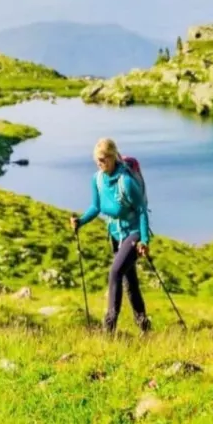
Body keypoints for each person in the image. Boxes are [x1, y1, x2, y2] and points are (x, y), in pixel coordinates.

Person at [70, 138, 152, 334]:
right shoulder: (97, 179)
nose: (99, 163)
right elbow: (96, 207)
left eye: (103, 159)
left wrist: (144, 240)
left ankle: (109, 328)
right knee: (129, 282)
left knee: (115, 272)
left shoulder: (127, 181)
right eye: (97, 160)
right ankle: (145, 328)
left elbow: (141, 210)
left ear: (113, 157)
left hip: (133, 233)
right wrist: (80, 221)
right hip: (116, 235)